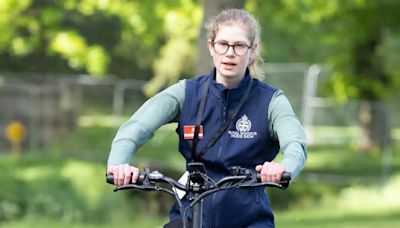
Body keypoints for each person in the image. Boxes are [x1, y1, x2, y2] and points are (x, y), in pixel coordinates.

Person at [107, 8, 306, 228]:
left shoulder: (271, 101)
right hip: (189, 215)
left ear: (253, 50)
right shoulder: (187, 92)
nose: (230, 53)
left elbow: (295, 143)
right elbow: (135, 128)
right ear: (211, 46)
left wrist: (282, 168)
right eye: (222, 44)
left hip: (249, 221)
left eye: (239, 46)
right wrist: (118, 165)